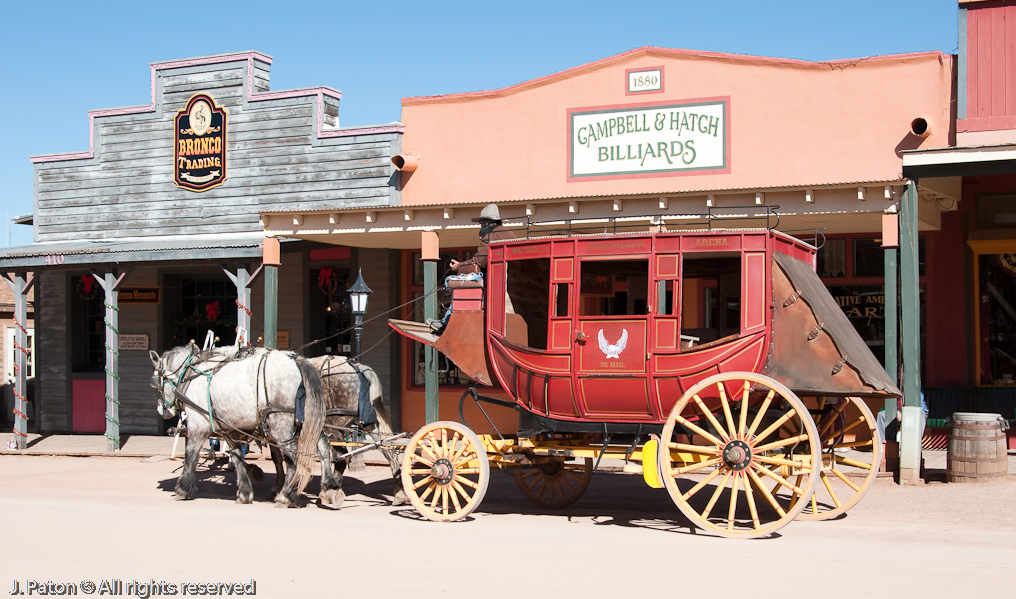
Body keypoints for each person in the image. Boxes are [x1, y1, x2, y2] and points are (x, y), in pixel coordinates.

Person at [429, 204, 514, 333]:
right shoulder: (508, 234)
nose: (480, 225)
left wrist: (459, 267)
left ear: (487, 223)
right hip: (507, 275)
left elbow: (479, 262)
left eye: (481, 222)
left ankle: (446, 323)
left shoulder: (491, 235)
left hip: (497, 277)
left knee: (463, 283)